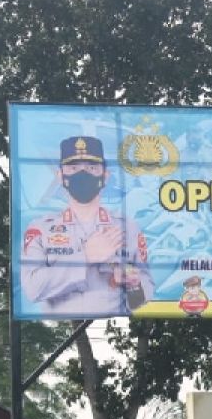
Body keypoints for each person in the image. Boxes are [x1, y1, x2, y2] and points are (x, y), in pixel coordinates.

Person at [20, 135, 154, 316]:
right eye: (73, 167)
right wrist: (85, 256)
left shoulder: (128, 228)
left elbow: (140, 301)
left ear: (105, 176)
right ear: (60, 176)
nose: (82, 174)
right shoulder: (39, 229)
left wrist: (133, 285)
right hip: (58, 326)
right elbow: (32, 289)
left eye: (92, 167)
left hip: (113, 324)